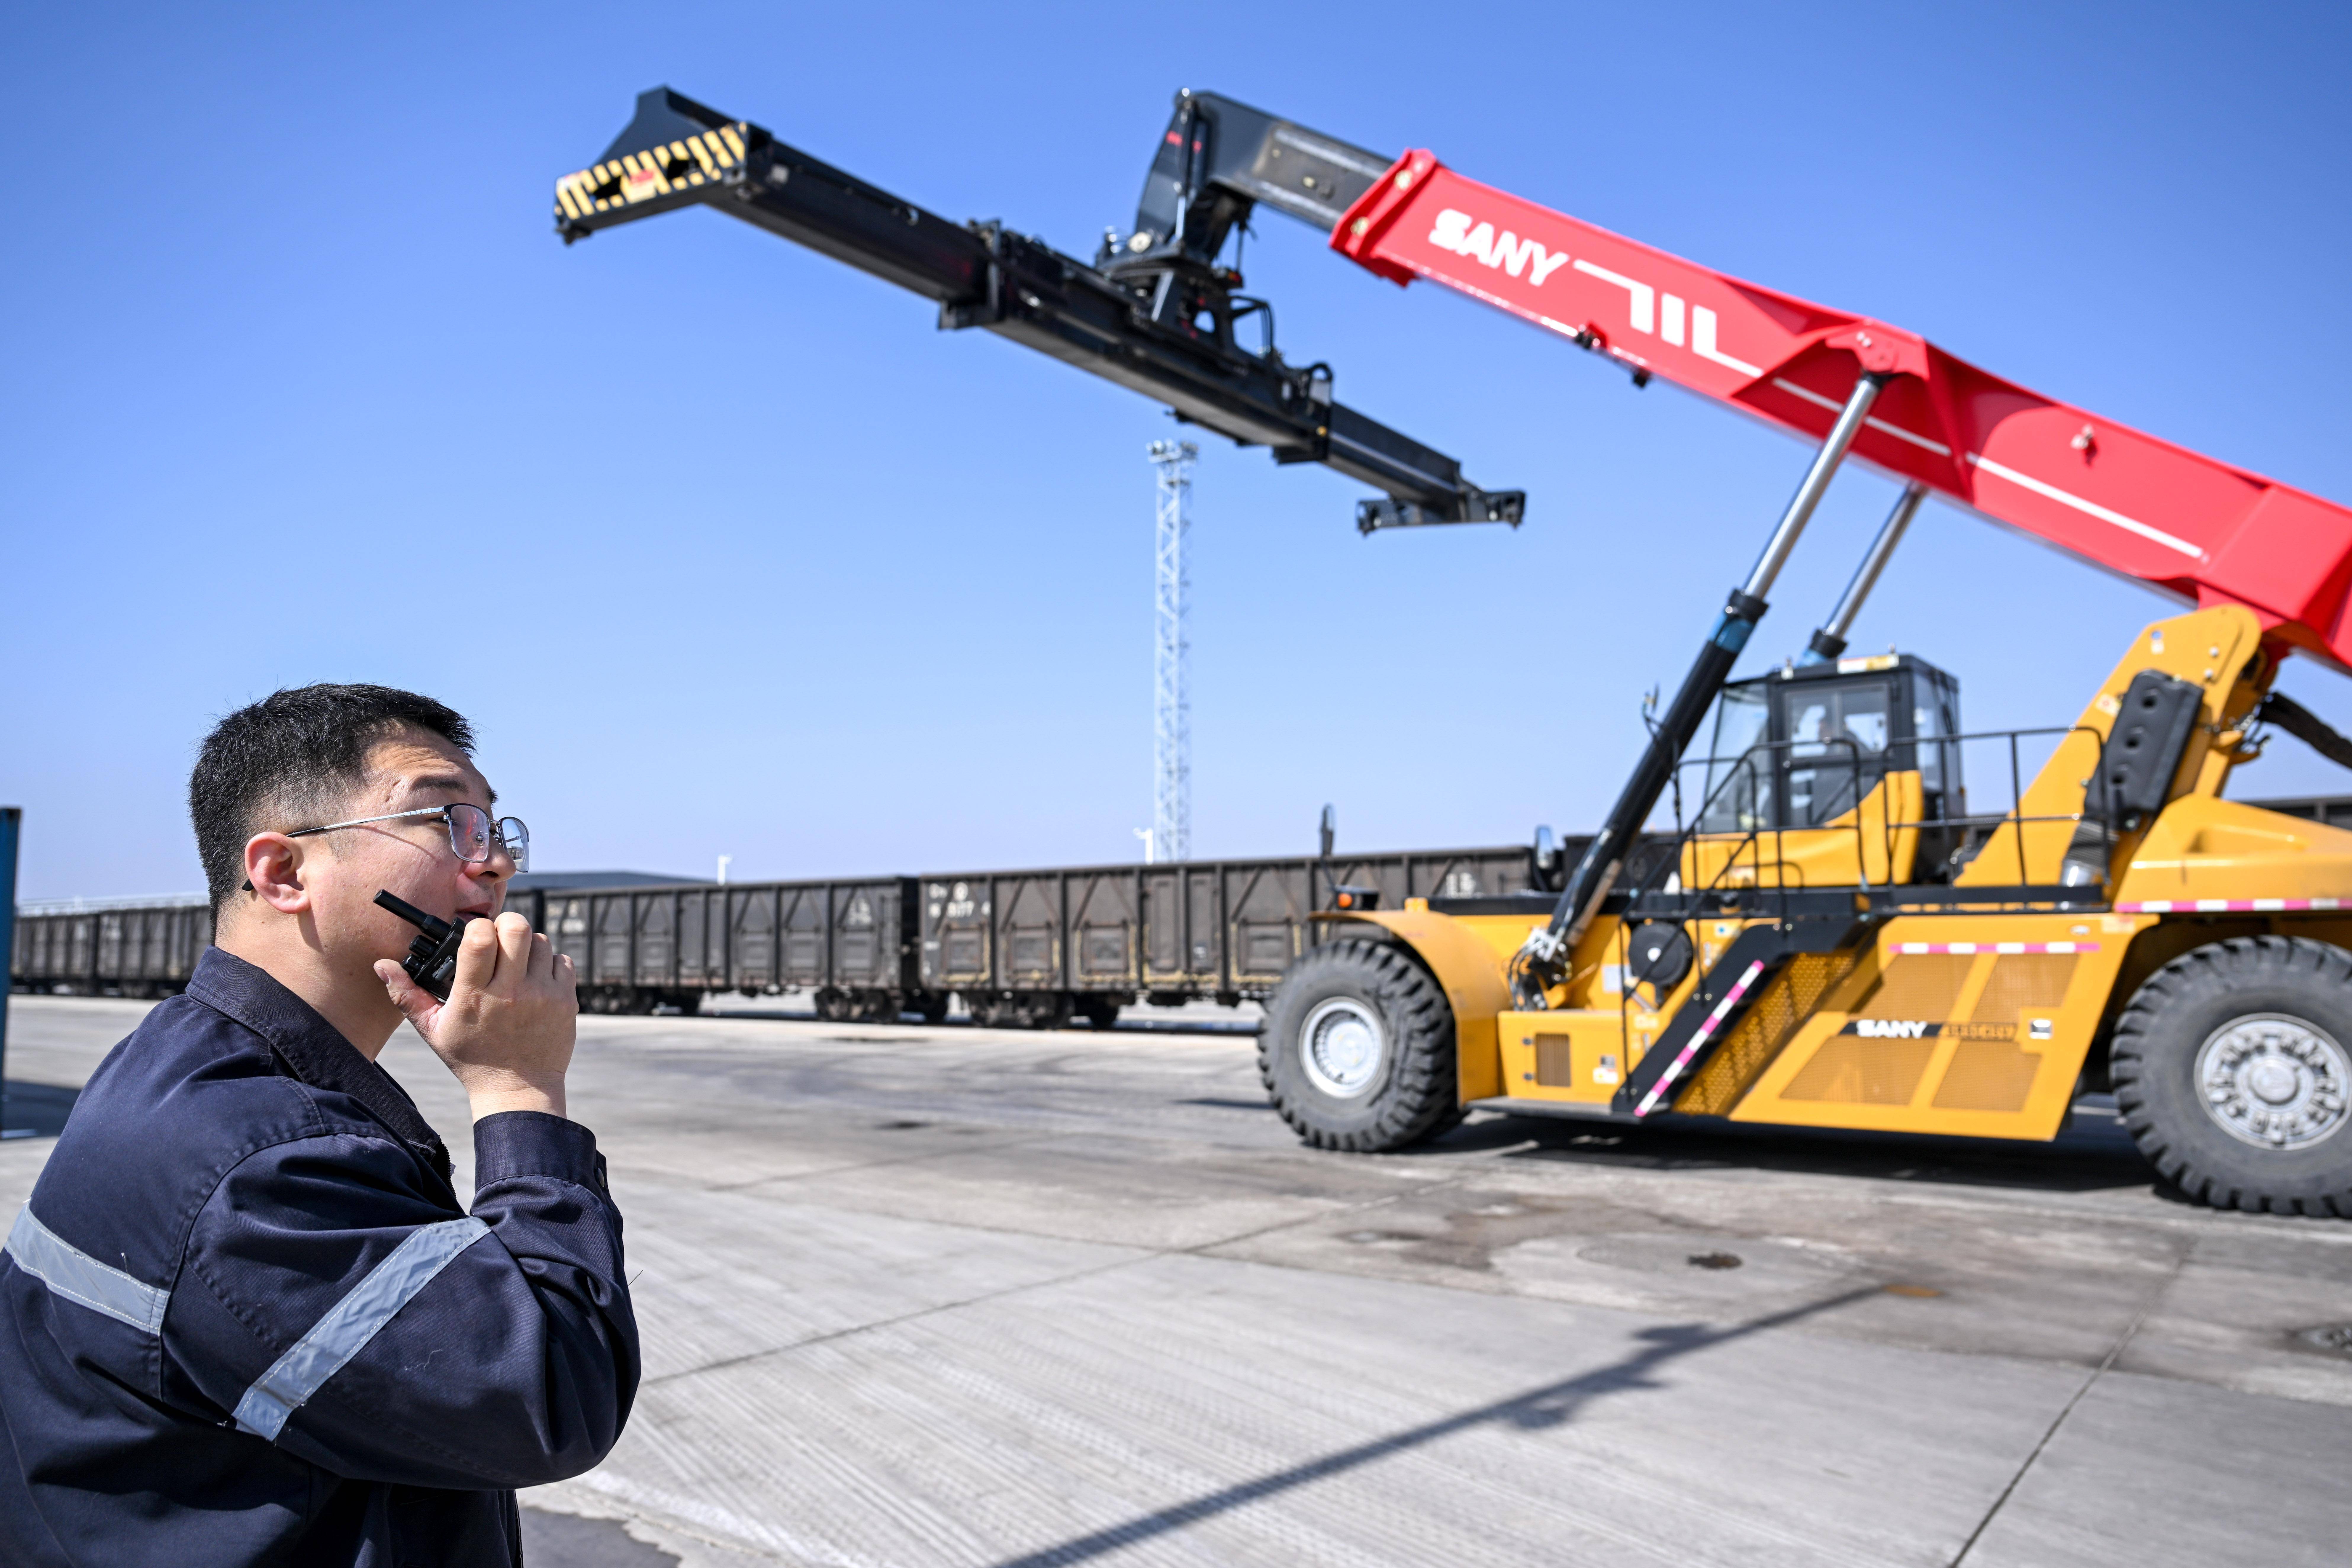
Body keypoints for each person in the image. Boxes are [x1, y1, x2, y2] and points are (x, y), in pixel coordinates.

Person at [0, 684, 640, 1565]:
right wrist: (518, 1086)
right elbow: (550, 1401)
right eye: (445, 821)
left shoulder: (188, 1061)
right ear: (284, 872)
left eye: (496, 831)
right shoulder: (262, 1162)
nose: (493, 864)